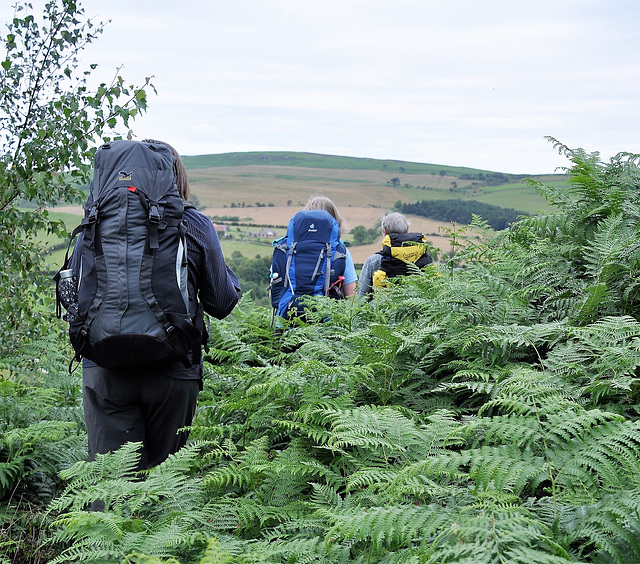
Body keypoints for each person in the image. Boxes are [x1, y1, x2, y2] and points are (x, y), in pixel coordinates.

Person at [73, 139, 240, 473]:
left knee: (110, 484)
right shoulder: (194, 225)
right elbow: (221, 303)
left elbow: (76, 293)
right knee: (165, 485)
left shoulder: (95, 224)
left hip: (103, 366)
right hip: (174, 369)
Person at [357, 212, 431, 298]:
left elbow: (361, 298)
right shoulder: (422, 257)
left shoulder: (373, 261)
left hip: (382, 309)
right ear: (406, 232)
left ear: (384, 232)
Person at [302, 194, 357, 297]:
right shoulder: (340, 252)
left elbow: (273, 292)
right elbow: (352, 297)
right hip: (327, 312)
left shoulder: (286, 248)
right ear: (335, 220)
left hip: (290, 311)